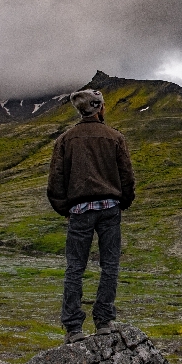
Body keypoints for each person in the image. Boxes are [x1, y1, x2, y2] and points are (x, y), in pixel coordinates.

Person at [47, 89, 135, 344]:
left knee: (75, 267)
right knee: (110, 266)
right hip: (110, 209)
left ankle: (74, 328)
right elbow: (126, 176)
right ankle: (104, 321)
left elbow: (56, 179)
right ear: (99, 108)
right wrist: (124, 201)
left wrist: (65, 207)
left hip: (79, 211)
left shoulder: (66, 139)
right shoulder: (115, 137)